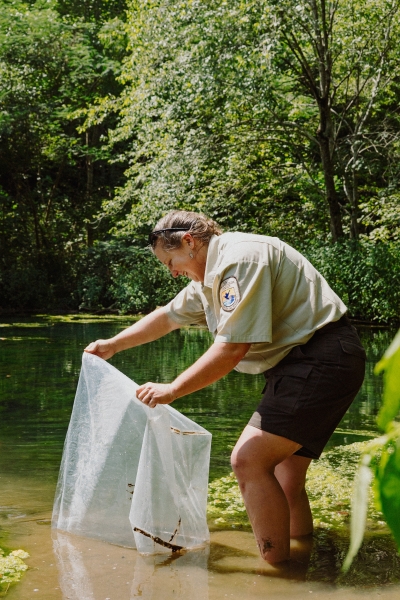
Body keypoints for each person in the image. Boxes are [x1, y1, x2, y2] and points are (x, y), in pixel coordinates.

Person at [85, 210, 366, 565]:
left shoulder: (239, 260)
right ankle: (301, 562)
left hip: (320, 358)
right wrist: (113, 344)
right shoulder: (209, 277)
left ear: (189, 242)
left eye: (170, 261)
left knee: (248, 460)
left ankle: (276, 574)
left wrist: (172, 389)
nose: (171, 271)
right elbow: (168, 316)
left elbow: (233, 348)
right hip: (312, 360)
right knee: (285, 474)